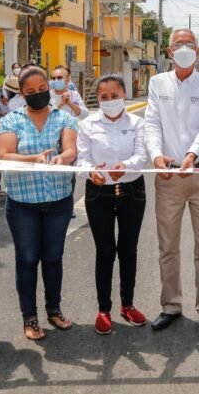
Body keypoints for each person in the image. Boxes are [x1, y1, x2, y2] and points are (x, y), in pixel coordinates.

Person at [144, 28, 199, 334]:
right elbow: (152, 123)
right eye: (179, 44)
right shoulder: (157, 83)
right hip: (168, 175)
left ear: (198, 50)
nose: (185, 48)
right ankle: (171, 305)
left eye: (190, 43)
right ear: (169, 50)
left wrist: (192, 155)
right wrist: (155, 155)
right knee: (168, 245)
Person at [0, 65, 78, 340]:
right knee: (28, 259)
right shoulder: (11, 120)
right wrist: (31, 159)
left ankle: (54, 310)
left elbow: (70, 149)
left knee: (53, 258)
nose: (38, 95)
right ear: (21, 93)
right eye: (30, 92)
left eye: (43, 89)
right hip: (22, 203)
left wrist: (62, 158)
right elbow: (4, 154)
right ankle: (29, 318)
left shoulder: (63, 118)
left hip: (58, 200)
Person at [77, 74, 148, 334]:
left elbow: (141, 154)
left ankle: (127, 304)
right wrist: (90, 172)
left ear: (124, 94)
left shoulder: (138, 122)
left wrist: (126, 166)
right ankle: (103, 309)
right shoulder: (87, 124)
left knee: (128, 249)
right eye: (104, 97)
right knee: (105, 251)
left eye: (115, 95)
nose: (110, 101)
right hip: (98, 194)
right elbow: (81, 160)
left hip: (132, 192)